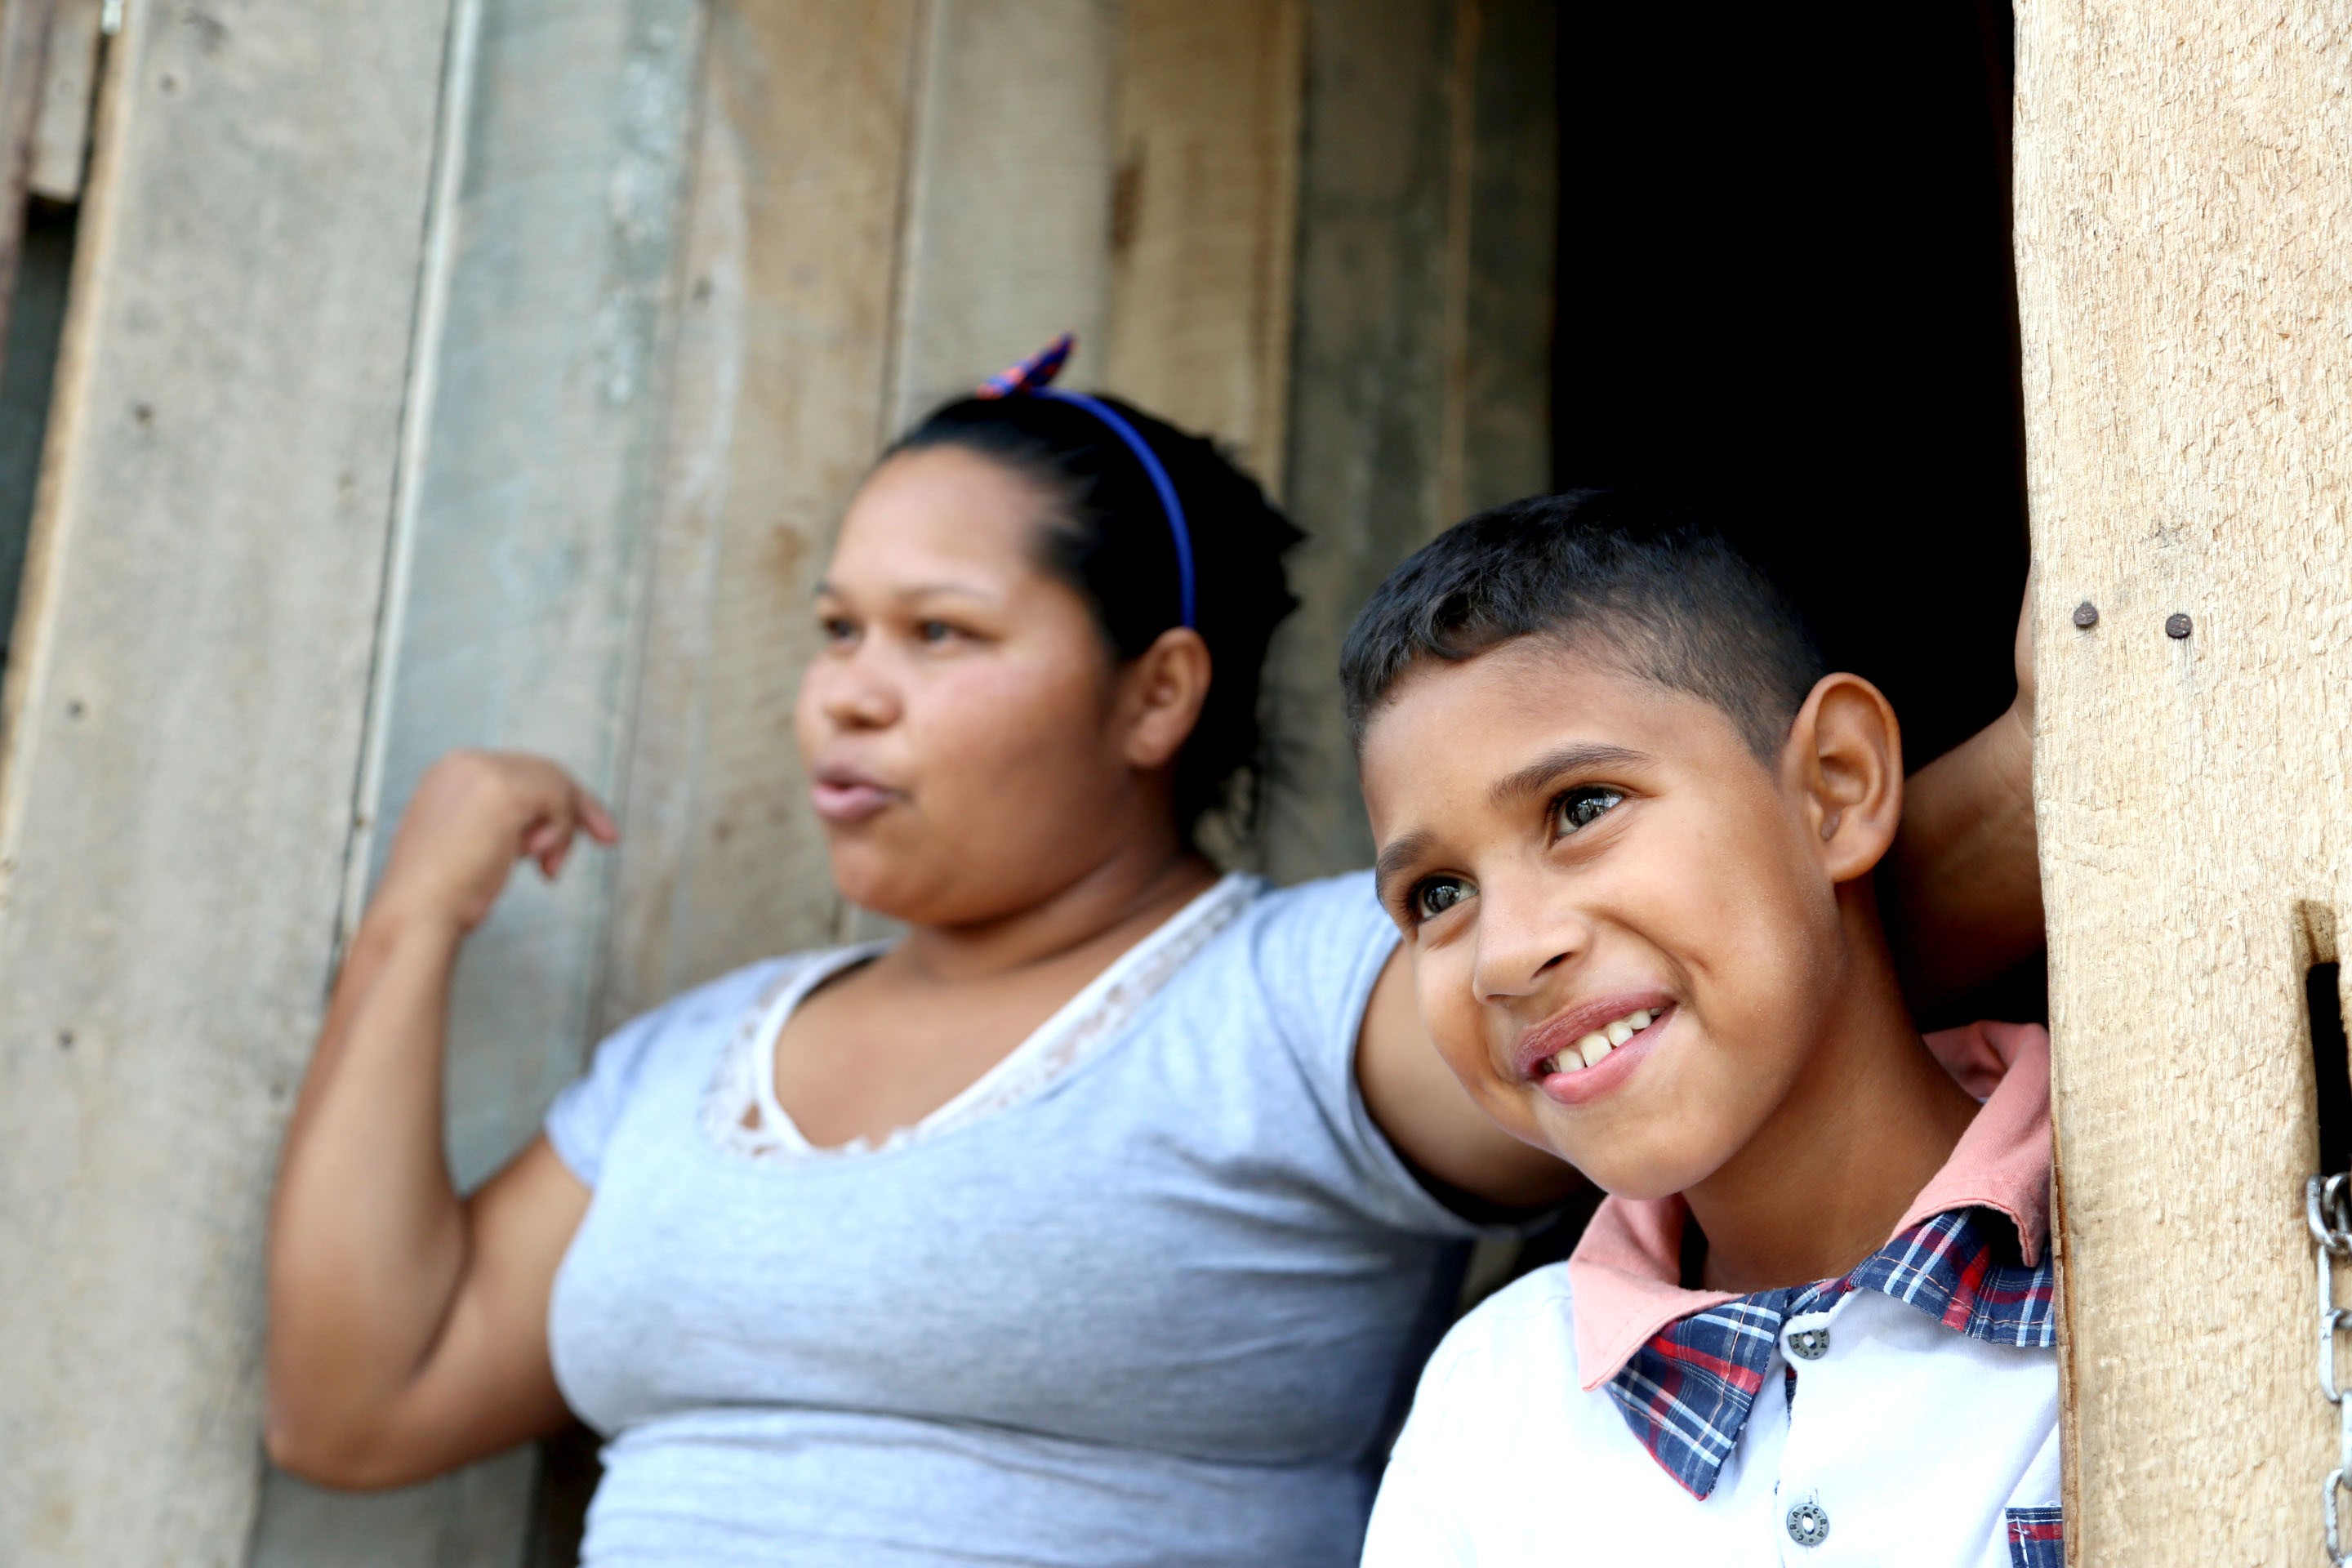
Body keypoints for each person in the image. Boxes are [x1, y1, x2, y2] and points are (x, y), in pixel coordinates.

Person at [265, 339, 2042, 1567]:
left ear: (1156, 694)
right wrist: (415, 921)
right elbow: (358, 1402)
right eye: (835, 629)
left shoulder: (1283, 1004)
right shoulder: (690, 1060)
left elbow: (1719, 975)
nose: (847, 691)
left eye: (939, 632)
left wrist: (2055, 765)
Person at [1345, 491, 2056, 1566]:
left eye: (1582, 808)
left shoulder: (2194, 1242)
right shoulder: (1498, 1404)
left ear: (1835, 786)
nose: (1505, 955)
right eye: (1438, 896)